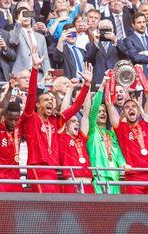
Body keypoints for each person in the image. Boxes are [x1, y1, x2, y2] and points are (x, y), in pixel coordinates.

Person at [20, 49, 93, 193]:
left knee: (54, 207)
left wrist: (86, 85)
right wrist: (35, 69)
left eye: (53, 100)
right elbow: (31, 94)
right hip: (37, 168)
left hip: (53, 169)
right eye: (46, 100)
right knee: (47, 203)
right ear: (37, 105)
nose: (51, 102)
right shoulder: (30, 117)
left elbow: (76, 106)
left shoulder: (56, 120)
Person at [106, 69, 148, 194]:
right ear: (123, 112)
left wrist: (140, 73)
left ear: (138, 110)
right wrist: (110, 79)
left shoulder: (146, 124)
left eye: (133, 106)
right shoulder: (121, 128)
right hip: (133, 175)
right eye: (127, 107)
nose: (131, 109)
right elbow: (109, 104)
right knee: (136, 210)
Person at [87, 78, 126, 194]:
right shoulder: (92, 131)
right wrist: (102, 87)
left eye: (104, 111)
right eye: (100, 112)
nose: (102, 113)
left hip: (116, 177)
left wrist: (123, 164)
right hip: (100, 176)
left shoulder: (112, 134)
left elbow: (119, 154)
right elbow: (93, 110)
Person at [58, 90, 94, 194]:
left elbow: (86, 114)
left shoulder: (81, 137)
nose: (77, 124)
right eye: (73, 121)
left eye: (77, 122)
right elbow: (63, 113)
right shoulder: (62, 137)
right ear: (65, 125)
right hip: (71, 181)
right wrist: (69, 89)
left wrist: (87, 87)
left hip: (88, 181)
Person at [0, 84, 25, 192]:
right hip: (0, 178)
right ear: (4, 116)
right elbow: (0, 109)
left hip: (16, 178)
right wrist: (9, 89)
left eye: (16, 119)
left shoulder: (19, 128)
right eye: (10, 119)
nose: (13, 123)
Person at [9, 7, 51, 79]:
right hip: (21, 75)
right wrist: (18, 23)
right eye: (23, 15)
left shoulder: (41, 37)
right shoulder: (14, 33)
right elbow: (13, 41)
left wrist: (48, 74)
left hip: (39, 75)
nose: (26, 17)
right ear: (16, 19)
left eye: (27, 14)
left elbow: (45, 58)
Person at [85, 19, 128, 85]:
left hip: (116, 79)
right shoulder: (91, 45)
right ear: (98, 31)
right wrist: (96, 43)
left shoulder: (119, 43)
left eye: (107, 29)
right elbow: (88, 61)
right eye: (102, 29)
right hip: (99, 80)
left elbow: (125, 56)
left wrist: (115, 40)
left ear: (112, 30)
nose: (105, 32)